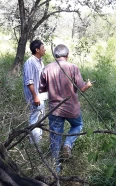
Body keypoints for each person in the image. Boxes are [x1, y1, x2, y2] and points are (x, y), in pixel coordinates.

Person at [39, 44, 92, 172]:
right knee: (78, 125)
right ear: (67, 55)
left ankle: (55, 169)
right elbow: (82, 88)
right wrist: (88, 85)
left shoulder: (46, 69)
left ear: (55, 55)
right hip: (71, 108)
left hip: (54, 109)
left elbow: (42, 89)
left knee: (55, 138)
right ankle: (68, 144)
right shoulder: (73, 67)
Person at [22, 39, 48, 144]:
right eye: (43, 47)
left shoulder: (40, 62)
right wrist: (35, 96)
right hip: (35, 97)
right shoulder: (30, 62)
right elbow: (29, 82)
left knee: (40, 118)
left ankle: (38, 141)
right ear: (37, 50)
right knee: (34, 118)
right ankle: (34, 144)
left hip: (41, 96)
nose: (45, 49)